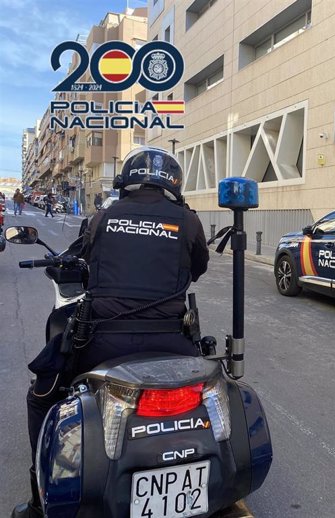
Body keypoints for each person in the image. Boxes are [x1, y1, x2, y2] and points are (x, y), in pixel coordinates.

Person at [13, 147, 209, 518]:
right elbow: (197, 267)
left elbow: (82, 254)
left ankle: (39, 498)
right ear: (174, 184)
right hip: (174, 343)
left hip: (101, 341)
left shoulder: (104, 216)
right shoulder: (188, 220)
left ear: (127, 181)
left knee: (43, 395)